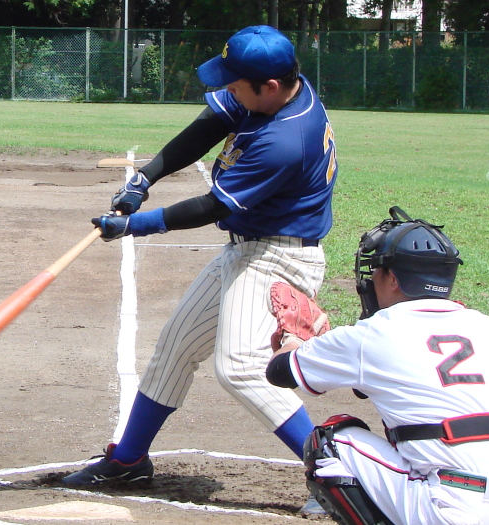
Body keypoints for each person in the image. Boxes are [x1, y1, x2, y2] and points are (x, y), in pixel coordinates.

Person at [62, 25, 338, 512]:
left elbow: (213, 207)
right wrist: (144, 177)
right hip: (250, 249)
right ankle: (128, 460)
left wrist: (133, 225)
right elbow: (208, 128)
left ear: (269, 87)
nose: (228, 89)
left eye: (235, 83)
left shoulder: (286, 138)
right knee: (175, 348)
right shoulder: (274, 92)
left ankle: (340, 474)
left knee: (240, 368)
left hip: (280, 257)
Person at [266, 207, 489, 525]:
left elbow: (280, 372)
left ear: (393, 278)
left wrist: (294, 338)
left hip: (449, 509)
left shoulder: (373, 334)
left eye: (376, 270)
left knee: (331, 443)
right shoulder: (488, 327)